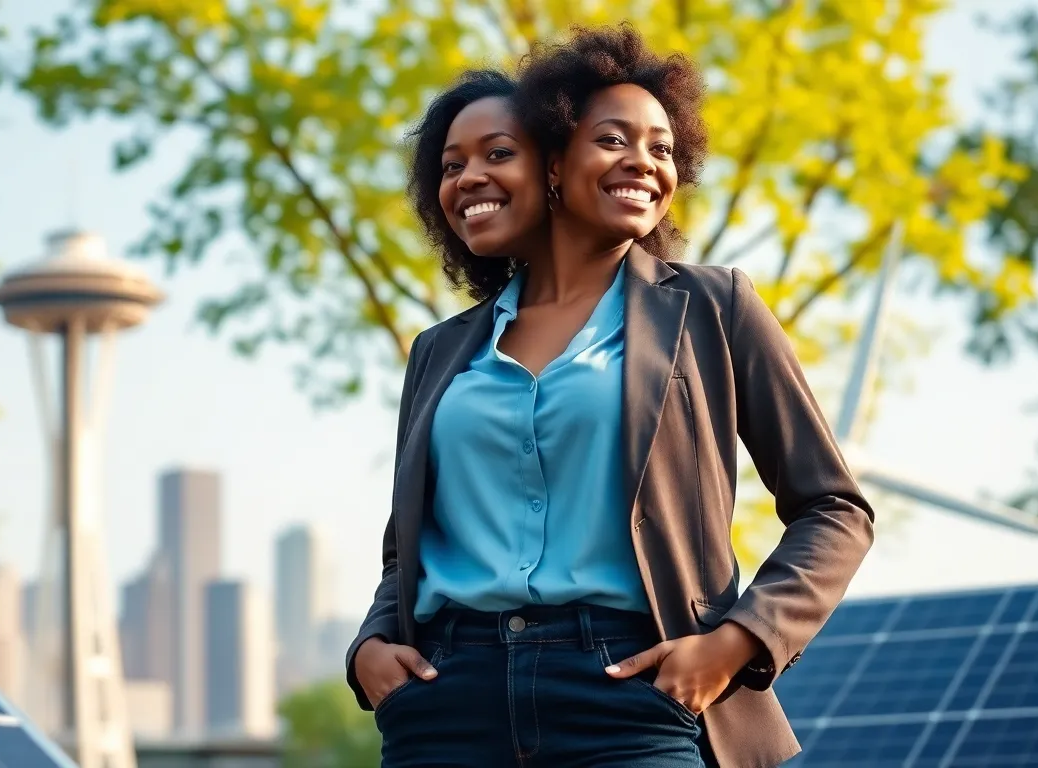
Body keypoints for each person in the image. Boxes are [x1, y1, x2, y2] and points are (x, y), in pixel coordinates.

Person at [348, 25, 874, 768]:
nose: (644, 162)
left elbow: (835, 509)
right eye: (615, 139)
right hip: (445, 701)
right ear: (556, 162)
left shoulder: (713, 308)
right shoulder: (441, 350)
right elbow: (410, 547)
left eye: (662, 148)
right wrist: (372, 645)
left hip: (631, 694)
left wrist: (738, 641)